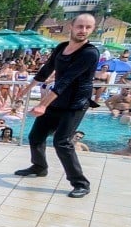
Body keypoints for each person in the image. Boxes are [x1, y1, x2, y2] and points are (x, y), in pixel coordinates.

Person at [15, 13, 100, 199]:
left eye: (88, 27)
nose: (83, 30)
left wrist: (43, 105)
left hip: (75, 104)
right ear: (72, 26)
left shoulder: (90, 53)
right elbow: (46, 70)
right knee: (35, 136)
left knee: (62, 142)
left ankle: (81, 183)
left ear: (92, 30)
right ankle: (39, 167)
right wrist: (26, 89)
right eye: (80, 26)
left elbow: (66, 81)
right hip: (57, 101)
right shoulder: (62, 47)